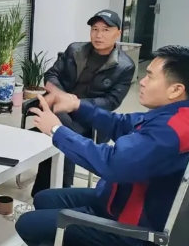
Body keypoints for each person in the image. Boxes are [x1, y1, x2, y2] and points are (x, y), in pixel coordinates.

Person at [15, 45, 189, 246]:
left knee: (28, 224)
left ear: (176, 89)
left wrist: (57, 130)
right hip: (123, 200)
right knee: (45, 199)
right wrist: (77, 105)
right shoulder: (182, 116)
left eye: (150, 76)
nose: (142, 81)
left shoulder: (169, 132)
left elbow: (111, 163)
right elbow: (122, 124)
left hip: (132, 232)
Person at [31, 10, 135, 196]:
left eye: (105, 30)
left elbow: (111, 102)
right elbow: (51, 74)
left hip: (90, 120)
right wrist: (61, 95)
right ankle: (57, 192)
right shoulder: (75, 50)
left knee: (58, 128)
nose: (98, 35)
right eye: (95, 29)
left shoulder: (125, 66)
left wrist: (76, 104)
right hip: (59, 109)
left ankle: (48, 193)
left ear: (118, 33)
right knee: (61, 121)